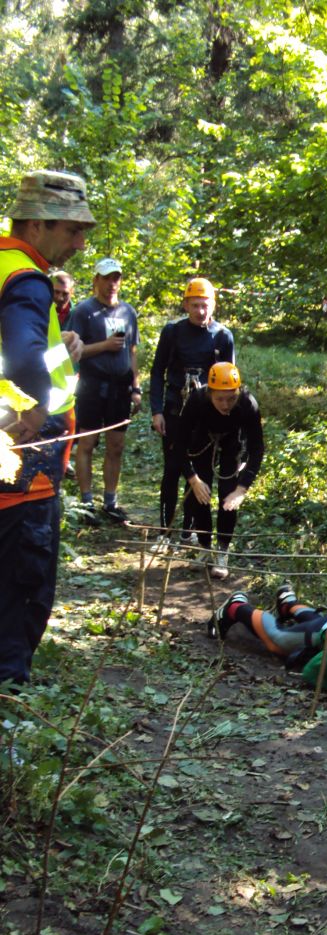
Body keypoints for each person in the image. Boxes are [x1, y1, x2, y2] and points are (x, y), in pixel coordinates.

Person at [0, 169, 94, 686]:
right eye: (71, 229)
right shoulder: (26, 279)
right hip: (22, 479)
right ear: (36, 224)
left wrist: (61, 350)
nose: (79, 242)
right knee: (19, 596)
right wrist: (33, 418)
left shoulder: (3, 267)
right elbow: (21, 358)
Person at [149, 277, 234, 538]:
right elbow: (157, 372)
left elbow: (230, 382)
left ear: (213, 305)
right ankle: (165, 531)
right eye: (195, 305)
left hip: (204, 418)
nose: (201, 311)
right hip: (175, 412)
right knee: (173, 470)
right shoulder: (172, 332)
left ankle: (188, 529)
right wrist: (157, 410)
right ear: (186, 305)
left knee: (199, 473)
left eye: (205, 305)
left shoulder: (222, 337)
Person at [67, 257, 140, 523]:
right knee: (87, 442)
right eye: (107, 278)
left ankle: (110, 501)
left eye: (116, 278)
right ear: (96, 279)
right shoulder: (84, 311)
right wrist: (104, 346)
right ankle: (87, 503)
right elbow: (73, 351)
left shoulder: (128, 312)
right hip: (91, 384)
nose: (112, 284)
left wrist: (136, 387)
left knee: (116, 445)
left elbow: (132, 352)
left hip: (120, 387)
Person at [176, 363, 262, 580]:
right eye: (220, 399)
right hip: (201, 441)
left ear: (238, 392)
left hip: (232, 443)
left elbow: (257, 450)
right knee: (200, 495)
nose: (226, 405)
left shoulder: (247, 404)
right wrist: (193, 479)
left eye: (231, 398)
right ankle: (205, 548)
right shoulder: (196, 401)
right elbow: (179, 445)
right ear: (210, 393)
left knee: (228, 494)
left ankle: (222, 550)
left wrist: (242, 489)